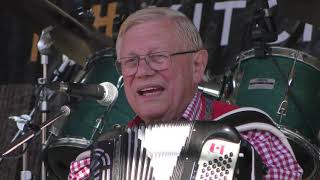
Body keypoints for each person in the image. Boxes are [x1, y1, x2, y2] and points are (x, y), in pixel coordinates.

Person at [68, 7, 303, 180]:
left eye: (158, 57)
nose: (142, 72)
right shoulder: (92, 164)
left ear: (197, 66)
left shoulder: (254, 138)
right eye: (131, 61)